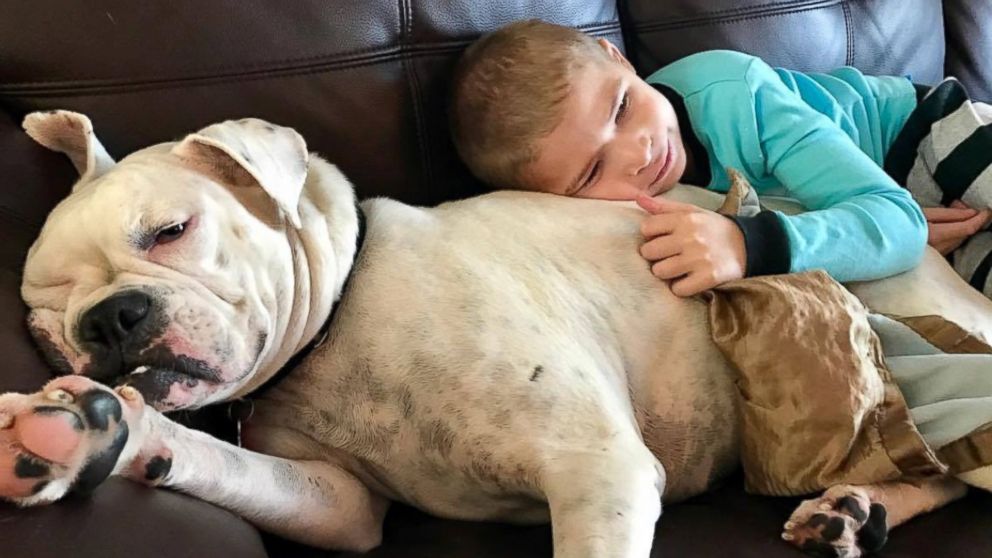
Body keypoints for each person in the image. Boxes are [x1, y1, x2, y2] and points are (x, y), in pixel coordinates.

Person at [448, 20, 992, 297]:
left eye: (621, 107)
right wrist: (889, 234)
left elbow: (895, 221)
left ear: (617, 57)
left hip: (926, 131)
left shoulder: (736, 92)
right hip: (898, 205)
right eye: (592, 172)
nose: (638, 153)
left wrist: (746, 245)